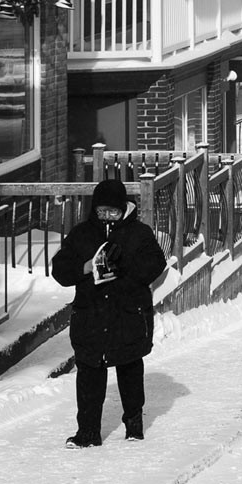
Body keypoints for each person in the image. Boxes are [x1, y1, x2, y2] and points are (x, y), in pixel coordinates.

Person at [53, 177, 167, 447]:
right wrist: (87, 267)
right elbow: (60, 269)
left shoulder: (139, 233)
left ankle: (133, 423)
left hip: (126, 313)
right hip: (91, 316)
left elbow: (155, 263)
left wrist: (122, 274)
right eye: (101, 211)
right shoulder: (82, 234)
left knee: (129, 369)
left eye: (112, 212)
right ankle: (88, 432)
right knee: (89, 374)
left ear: (124, 209)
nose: (107, 217)